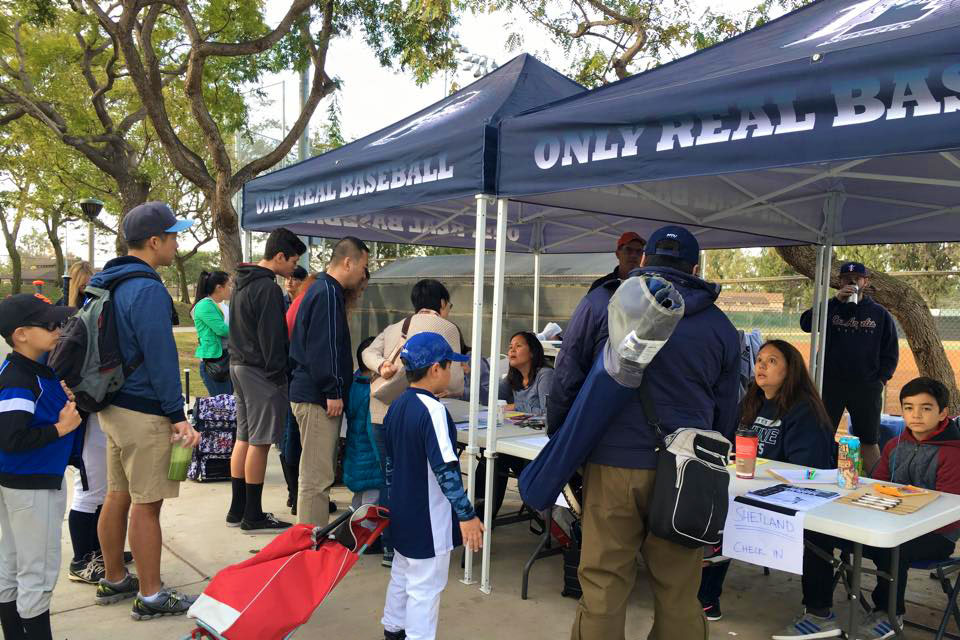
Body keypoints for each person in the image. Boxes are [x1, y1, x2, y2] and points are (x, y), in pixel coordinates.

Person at [558, 225, 740, 640]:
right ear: (695, 269)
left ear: (643, 262)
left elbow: (566, 379)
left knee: (604, 583)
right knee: (679, 590)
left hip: (612, 462)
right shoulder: (721, 327)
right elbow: (727, 412)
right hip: (687, 470)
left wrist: (567, 450)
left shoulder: (604, 305)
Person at [775, 376, 960, 640]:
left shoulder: (953, 453)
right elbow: (876, 485)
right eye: (908, 407)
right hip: (883, 520)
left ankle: (888, 613)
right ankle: (818, 613)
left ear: (943, 413)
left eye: (926, 408)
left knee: (892, 547)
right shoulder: (894, 445)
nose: (915, 415)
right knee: (816, 533)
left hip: (935, 535)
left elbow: (951, 512)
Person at [87, 202, 202, 620]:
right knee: (147, 504)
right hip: (144, 411)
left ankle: (115, 578)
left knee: (117, 496)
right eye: (173, 235)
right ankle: (151, 595)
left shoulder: (109, 281)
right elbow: (161, 359)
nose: (176, 242)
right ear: (154, 242)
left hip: (113, 407)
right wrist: (177, 414)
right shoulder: (148, 288)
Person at [698, 340, 834, 622]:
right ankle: (705, 596)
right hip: (746, 488)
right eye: (759, 359)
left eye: (771, 361)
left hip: (796, 494)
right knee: (710, 511)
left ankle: (818, 609)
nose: (761, 365)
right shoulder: (752, 399)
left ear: (790, 370)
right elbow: (729, 442)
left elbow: (808, 469)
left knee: (815, 536)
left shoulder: (804, 409)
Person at [380, 332, 483, 640]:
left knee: (402, 576)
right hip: (429, 519)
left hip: (401, 512)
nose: (452, 373)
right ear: (436, 368)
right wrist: (467, 515)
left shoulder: (397, 406)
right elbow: (446, 470)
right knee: (425, 589)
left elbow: (390, 465)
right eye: (450, 365)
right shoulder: (434, 410)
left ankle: (393, 630)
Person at [362, 279, 464, 566]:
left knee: (390, 479)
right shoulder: (446, 328)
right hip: (417, 413)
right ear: (442, 304)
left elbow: (367, 352)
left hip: (383, 410)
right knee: (418, 483)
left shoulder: (396, 327)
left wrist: (382, 366)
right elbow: (454, 379)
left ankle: (388, 546)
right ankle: (408, 546)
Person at [0, 294, 82, 640]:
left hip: (21, 482)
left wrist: (58, 397)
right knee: (38, 571)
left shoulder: (31, 369)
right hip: (31, 485)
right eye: (49, 325)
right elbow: (11, 437)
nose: (58, 329)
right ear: (21, 334)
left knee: (12, 565)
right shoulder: (19, 377)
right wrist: (61, 428)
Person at [227, 228, 305, 533]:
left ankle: (238, 509)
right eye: (293, 261)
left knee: (244, 437)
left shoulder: (241, 282)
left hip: (238, 365)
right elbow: (272, 339)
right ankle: (254, 514)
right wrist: (280, 376)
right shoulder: (268, 289)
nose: (292, 269)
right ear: (280, 256)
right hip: (261, 371)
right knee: (259, 443)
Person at [290, 237, 369, 526]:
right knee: (316, 477)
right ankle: (309, 544)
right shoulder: (326, 292)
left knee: (315, 474)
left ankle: (310, 538)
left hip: (312, 392)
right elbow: (326, 348)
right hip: (318, 397)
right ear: (348, 262)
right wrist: (333, 389)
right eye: (363, 266)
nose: (363, 273)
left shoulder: (322, 289)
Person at [800, 261, 898, 473]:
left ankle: (876, 481)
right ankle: (818, 477)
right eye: (846, 278)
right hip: (830, 384)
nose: (851, 281)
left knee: (869, 439)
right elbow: (806, 324)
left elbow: (890, 352)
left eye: (857, 278)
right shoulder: (831, 306)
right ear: (840, 281)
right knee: (821, 434)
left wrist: (879, 381)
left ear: (865, 282)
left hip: (865, 386)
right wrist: (835, 301)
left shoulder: (879, 314)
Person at [475, 331, 555, 518]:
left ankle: (482, 514)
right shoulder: (513, 378)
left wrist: (514, 406)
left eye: (518, 346)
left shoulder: (545, 375)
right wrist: (473, 377)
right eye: (510, 346)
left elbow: (548, 413)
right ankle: (480, 514)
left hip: (539, 449)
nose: (512, 350)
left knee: (495, 458)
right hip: (518, 443)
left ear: (533, 352)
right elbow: (489, 398)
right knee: (491, 456)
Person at [280, 272, 317, 517]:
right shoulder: (301, 305)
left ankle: (294, 495)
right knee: (294, 439)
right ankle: (296, 495)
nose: (290, 282)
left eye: (295, 278)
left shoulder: (294, 305)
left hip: (290, 380)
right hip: (296, 380)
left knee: (291, 438)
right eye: (289, 277)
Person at [343, 337, 383, 512]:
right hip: (371, 461)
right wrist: (383, 458)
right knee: (370, 508)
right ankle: (365, 538)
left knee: (357, 504)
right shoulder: (372, 392)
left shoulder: (354, 383)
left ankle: (352, 534)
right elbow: (372, 429)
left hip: (356, 456)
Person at [192, 271, 234, 397]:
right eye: (229, 285)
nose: (232, 288)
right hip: (215, 364)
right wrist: (245, 332)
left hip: (224, 361)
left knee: (228, 406)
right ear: (219, 288)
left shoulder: (218, 305)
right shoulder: (205, 305)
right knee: (223, 409)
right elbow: (222, 329)